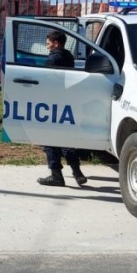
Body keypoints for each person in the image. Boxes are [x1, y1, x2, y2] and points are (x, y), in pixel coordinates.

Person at [37, 30, 87, 187]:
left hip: (53, 103)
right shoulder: (68, 56)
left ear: (55, 43)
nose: (47, 47)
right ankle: (77, 172)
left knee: (50, 139)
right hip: (67, 101)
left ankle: (56, 175)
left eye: (48, 44)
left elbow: (47, 81)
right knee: (66, 139)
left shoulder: (53, 58)